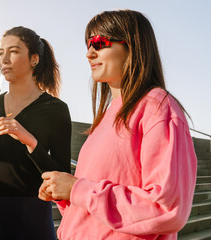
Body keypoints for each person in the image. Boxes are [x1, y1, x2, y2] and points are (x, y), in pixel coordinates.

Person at [39, 9, 197, 240]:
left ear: (133, 46)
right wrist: (66, 194)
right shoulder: (106, 116)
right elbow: (94, 208)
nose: (89, 53)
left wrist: (77, 189)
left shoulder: (157, 107)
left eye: (100, 42)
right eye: (88, 44)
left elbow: (167, 209)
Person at [0, 26, 71, 240]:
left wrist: (31, 142)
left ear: (34, 59)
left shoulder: (55, 109)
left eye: (14, 51)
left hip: (33, 213)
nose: (5, 59)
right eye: (1, 53)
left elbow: (63, 174)